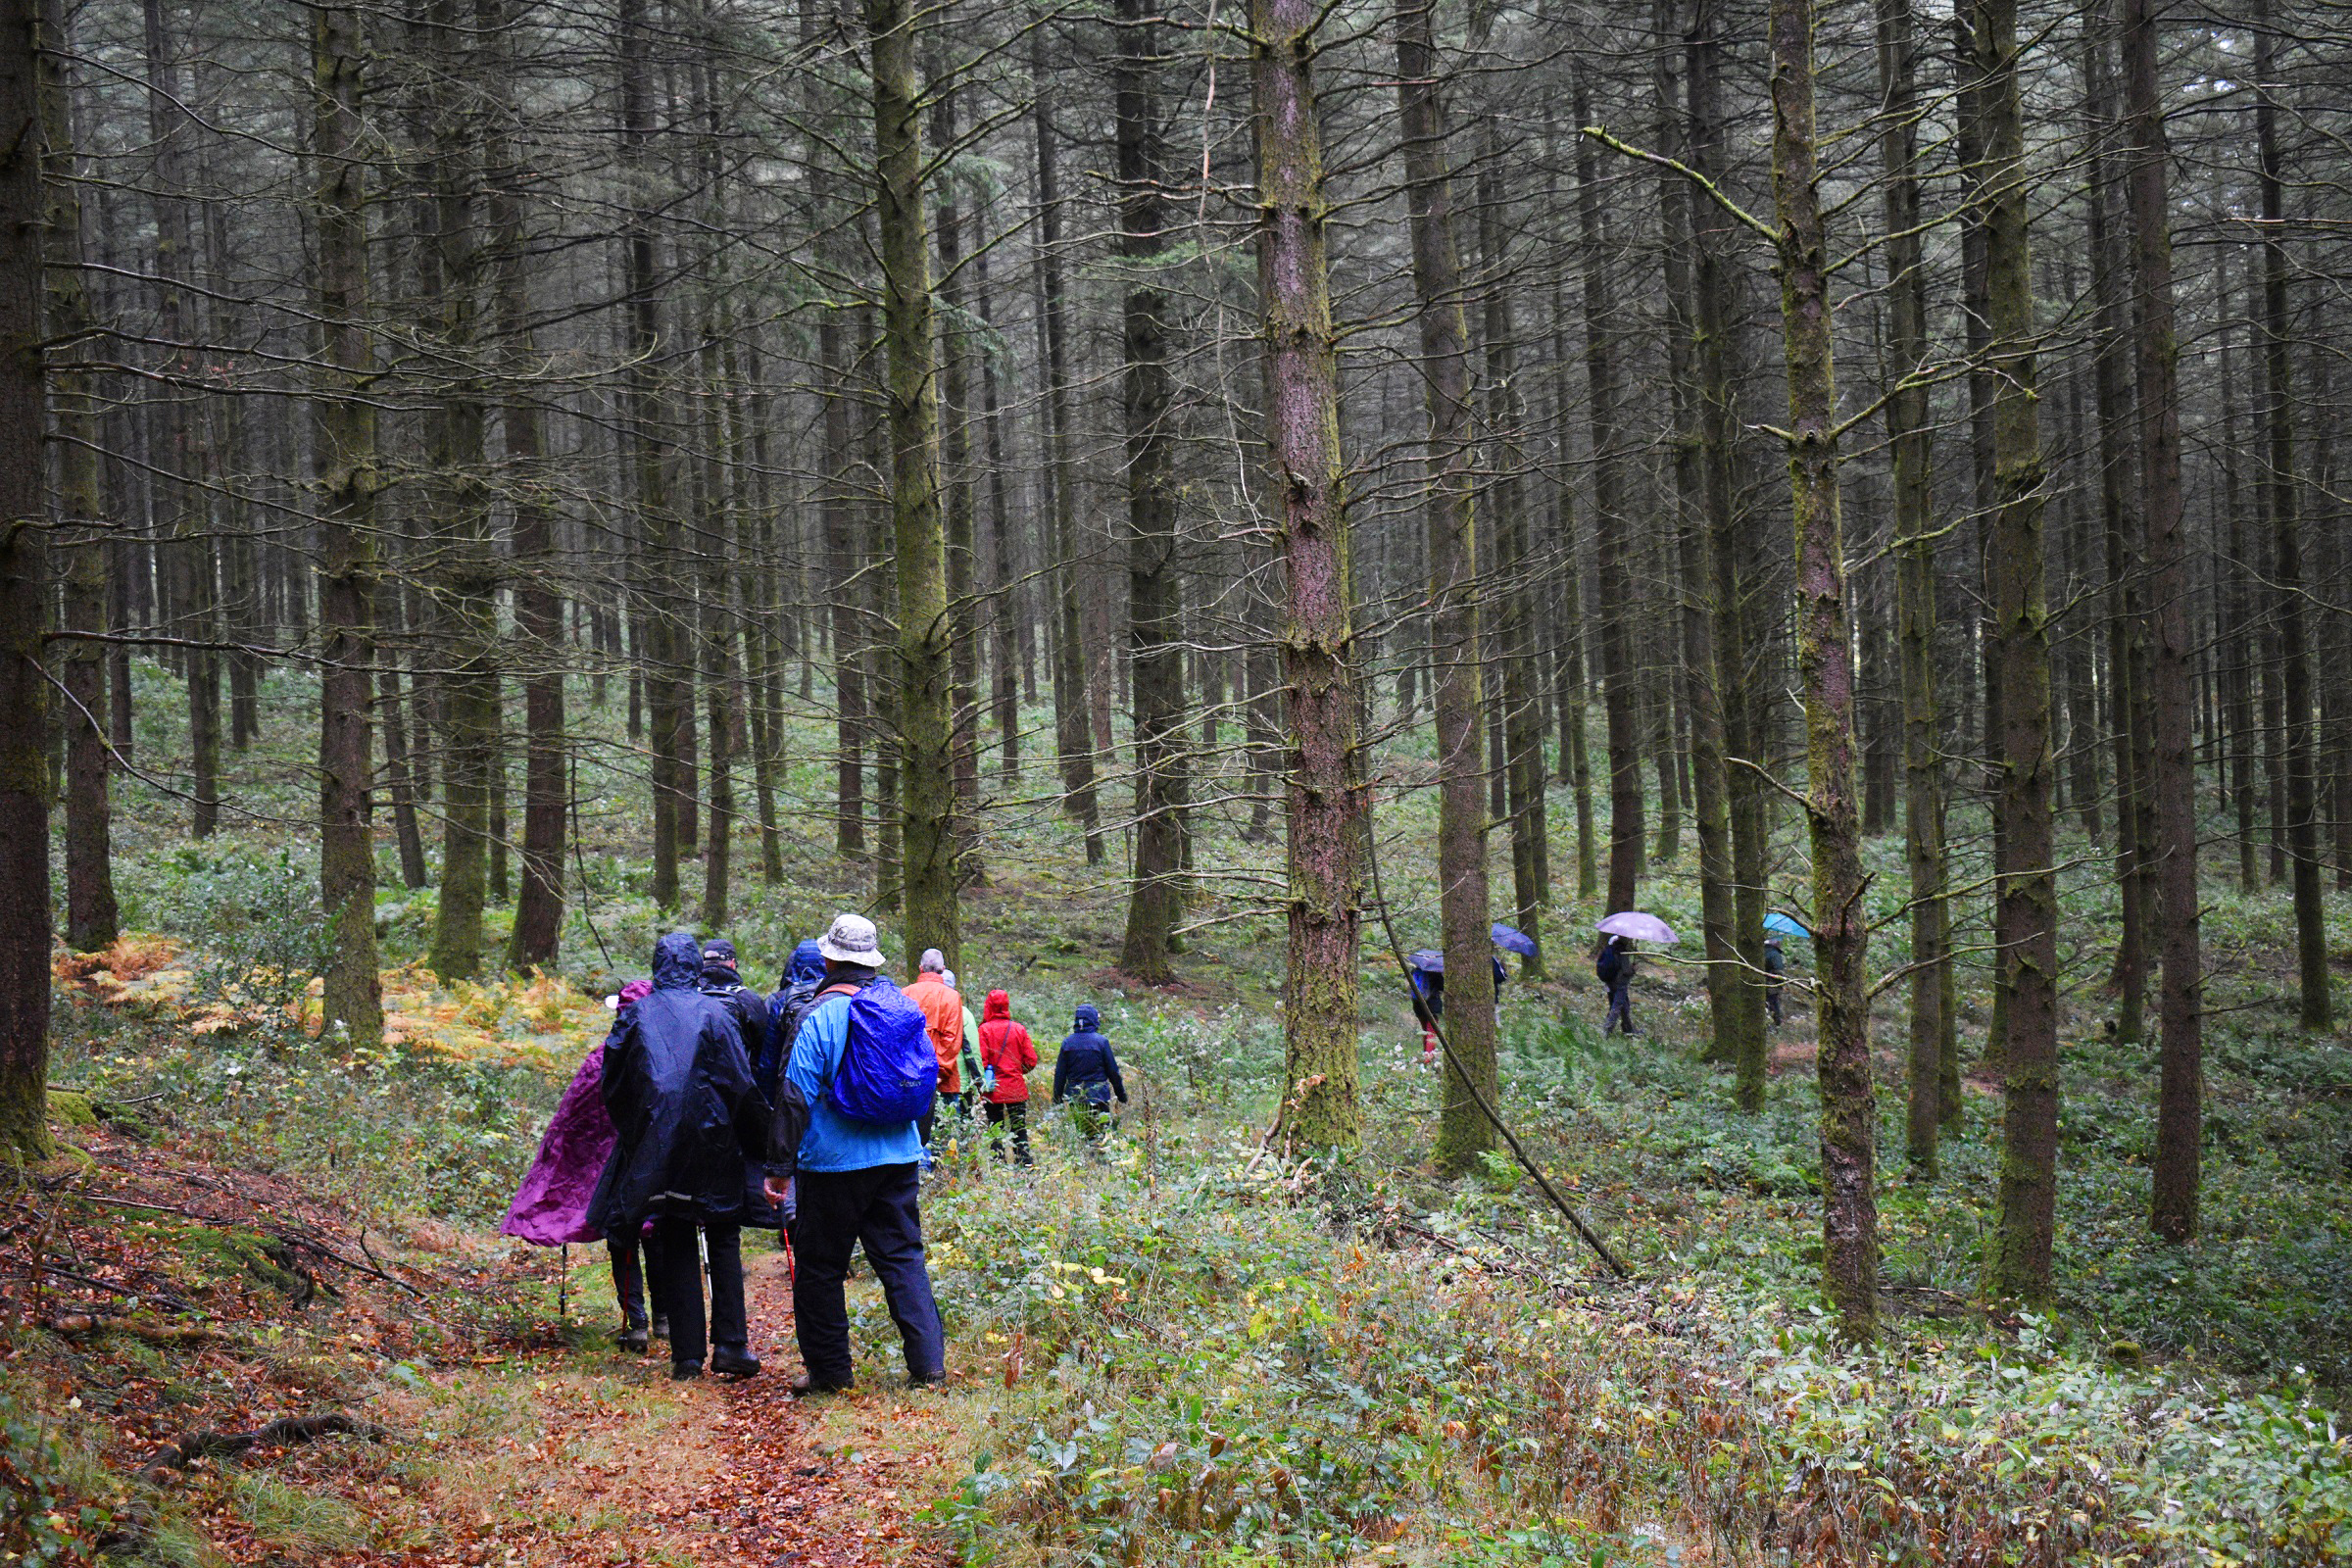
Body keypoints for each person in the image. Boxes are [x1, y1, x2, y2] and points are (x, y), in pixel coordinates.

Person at [763, 912, 946, 1395]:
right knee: (904, 1259)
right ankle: (928, 1368)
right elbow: (922, 1084)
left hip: (832, 1164)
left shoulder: (820, 1016)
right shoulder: (902, 1010)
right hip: (898, 1157)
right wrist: (916, 1146)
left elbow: (794, 1096)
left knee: (820, 1267)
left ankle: (830, 1374)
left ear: (829, 958)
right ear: (872, 961)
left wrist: (779, 1171)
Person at [586, 932, 769, 1381]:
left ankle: (687, 1356)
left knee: (677, 1237)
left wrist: (637, 1135)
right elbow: (740, 1083)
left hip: (659, 1148)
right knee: (723, 1237)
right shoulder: (715, 1013)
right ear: (694, 966)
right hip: (715, 1143)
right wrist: (762, 1144)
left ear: (657, 966)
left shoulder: (635, 1016)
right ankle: (730, 1345)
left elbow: (613, 1085)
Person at [503, 978, 670, 1351]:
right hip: (652, 1167)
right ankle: (662, 1319)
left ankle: (638, 1321)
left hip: (611, 1174)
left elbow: (568, 1129)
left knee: (623, 1238)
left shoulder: (601, 1059)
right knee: (655, 1234)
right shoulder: (667, 1059)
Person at [902, 950, 966, 1152]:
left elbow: (901, 1037)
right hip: (944, 1079)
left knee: (911, 1127)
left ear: (920, 968)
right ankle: (940, 1174)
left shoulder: (905, 993)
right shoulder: (952, 996)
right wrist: (940, 1072)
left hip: (910, 1075)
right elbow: (952, 1038)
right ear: (943, 970)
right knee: (943, 1131)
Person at [976, 989, 1039, 1165]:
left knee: (995, 1127)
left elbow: (982, 1061)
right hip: (1016, 1087)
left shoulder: (984, 1030)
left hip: (993, 1089)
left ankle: (998, 1163)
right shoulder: (1019, 1029)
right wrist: (1016, 1071)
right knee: (1019, 1128)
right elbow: (1031, 1060)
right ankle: (1024, 1162)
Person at [762, 938, 828, 1101]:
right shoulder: (835, 998)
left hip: (789, 1089)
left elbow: (769, 1061)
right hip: (826, 1093)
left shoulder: (781, 1002)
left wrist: (767, 1102)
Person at [1053, 1004, 1127, 1139]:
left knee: (1083, 1133)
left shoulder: (1067, 1043)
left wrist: (1056, 1099)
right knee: (1101, 1135)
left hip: (1076, 1097)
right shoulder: (1101, 1042)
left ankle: (1087, 1158)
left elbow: (1060, 1075)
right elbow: (1113, 1072)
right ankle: (1100, 1159)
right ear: (1093, 1019)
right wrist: (1121, 1094)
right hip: (1099, 1096)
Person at [1596, 935, 1637, 1038]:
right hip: (1620, 984)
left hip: (1610, 982)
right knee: (1617, 1007)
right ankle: (1606, 1030)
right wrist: (1633, 969)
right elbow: (1626, 971)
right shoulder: (1623, 952)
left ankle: (1628, 1029)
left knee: (1625, 1005)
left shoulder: (1609, 950)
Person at [1763, 935, 1787, 1028]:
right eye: (1778, 941)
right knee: (1774, 1007)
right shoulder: (1774, 954)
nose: (1779, 943)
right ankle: (1776, 1027)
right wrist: (1783, 983)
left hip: (1758, 984)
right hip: (1771, 987)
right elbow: (1778, 972)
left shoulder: (1760, 951)